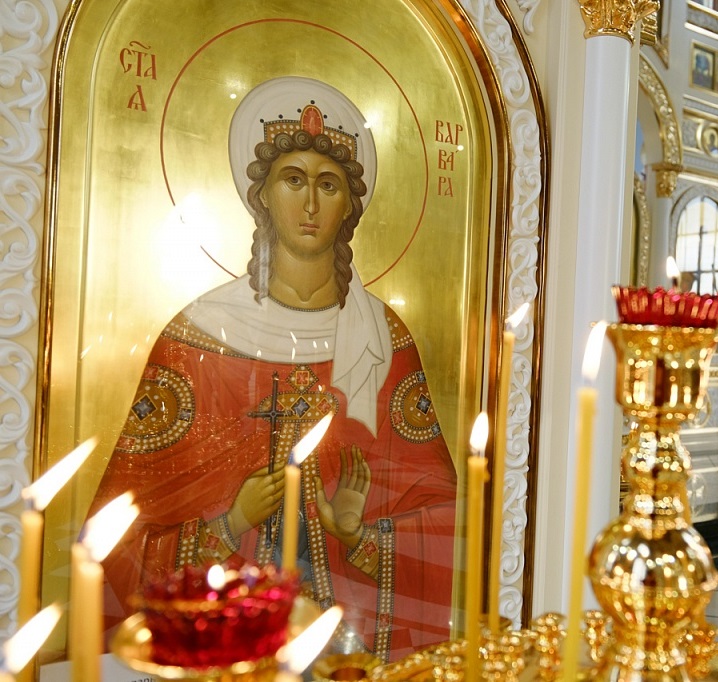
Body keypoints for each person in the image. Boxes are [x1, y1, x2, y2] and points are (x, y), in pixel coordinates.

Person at [86, 77, 458, 662]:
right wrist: (231, 522)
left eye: (328, 185)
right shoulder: (199, 337)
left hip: (347, 651)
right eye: (293, 179)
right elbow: (117, 534)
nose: (310, 205)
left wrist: (361, 534)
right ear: (261, 195)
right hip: (226, 652)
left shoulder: (383, 342)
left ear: (349, 205)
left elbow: (447, 517)